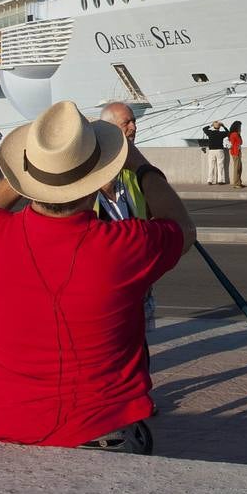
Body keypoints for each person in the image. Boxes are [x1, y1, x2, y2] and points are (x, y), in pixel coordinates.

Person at [0, 100, 195, 452]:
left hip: (2, 432)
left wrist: (31, 172)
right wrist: (140, 165)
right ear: (97, 177)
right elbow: (183, 227)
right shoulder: (123, 246)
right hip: (101, 432)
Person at [95, 102, 158, 337]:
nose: (134, 126)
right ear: (107, 129)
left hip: (137, 284)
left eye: (134, 121)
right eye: (127, 122)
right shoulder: (85, 176)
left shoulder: (134, 173)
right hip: (102, 286)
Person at [227, 120, 244, 189]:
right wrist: (239, 134)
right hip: (236, 152)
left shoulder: (233, 134)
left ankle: (239, 182)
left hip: (236, 152)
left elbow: (240, 142)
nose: (240, 128)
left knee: (239, 168)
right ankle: (236, 183)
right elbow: (240, 142)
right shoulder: (235, 134)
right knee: (237, 168)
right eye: (240, 126)